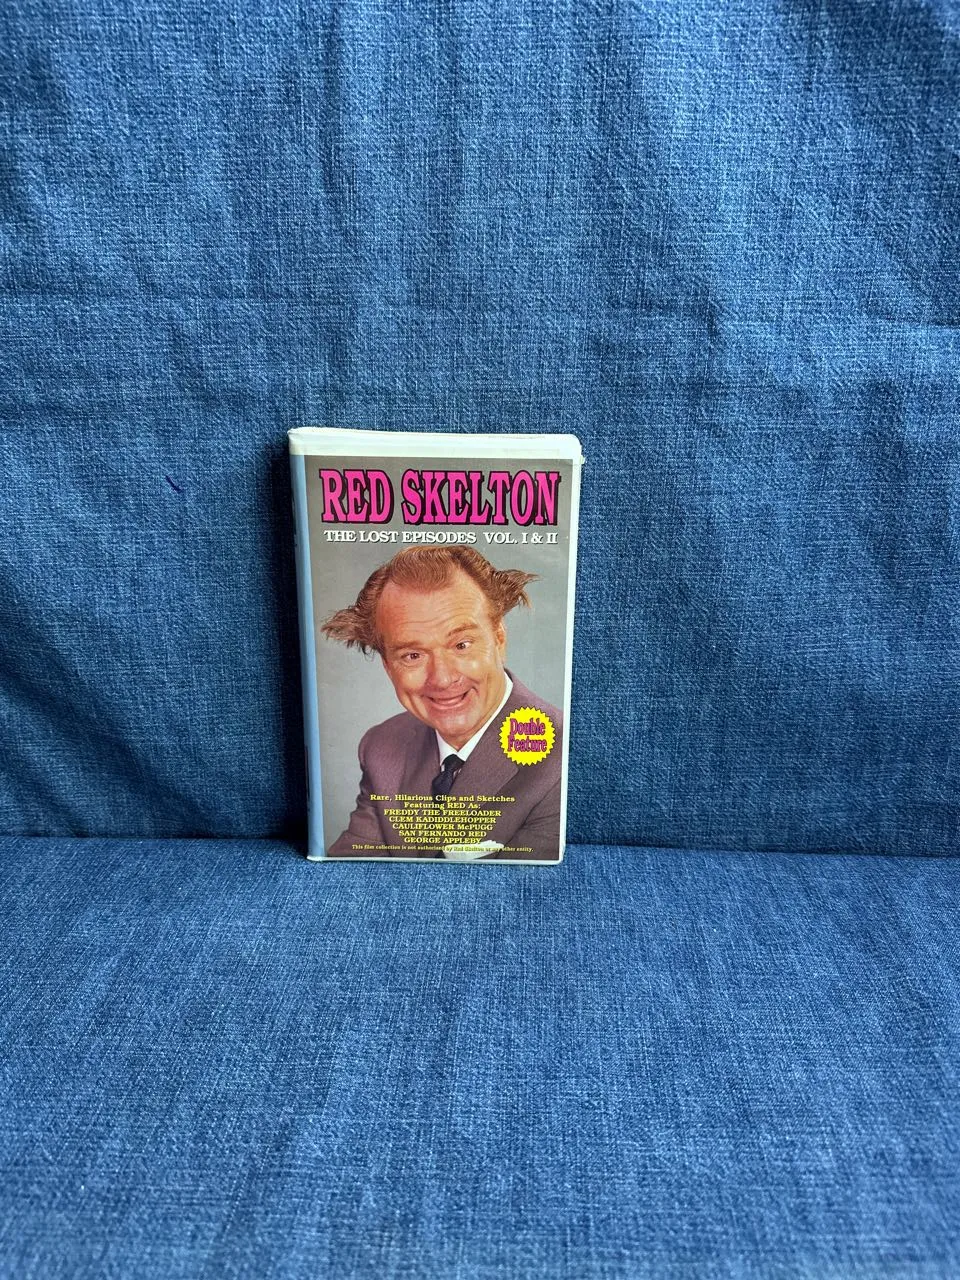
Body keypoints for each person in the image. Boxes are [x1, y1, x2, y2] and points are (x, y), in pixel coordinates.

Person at [321, 545, 563, 861]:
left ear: (499, 639)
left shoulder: (559, 757)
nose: (443, 679)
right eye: (412, 655)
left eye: (461, 645)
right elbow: (349, 868)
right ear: (388, 667)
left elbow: (523, 884)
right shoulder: (380, 746)